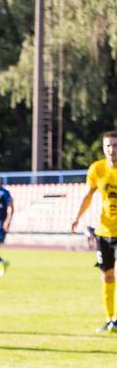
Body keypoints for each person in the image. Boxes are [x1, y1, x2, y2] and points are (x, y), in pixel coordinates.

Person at [70, 130, 117, 333]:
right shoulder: (97, 169)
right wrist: (77, 217)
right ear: (103, 148)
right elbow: (88, 196)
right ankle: (110, 320)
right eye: (109, 145)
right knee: (107, 276)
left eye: (115, 145)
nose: (112, 149)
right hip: (103, 232)